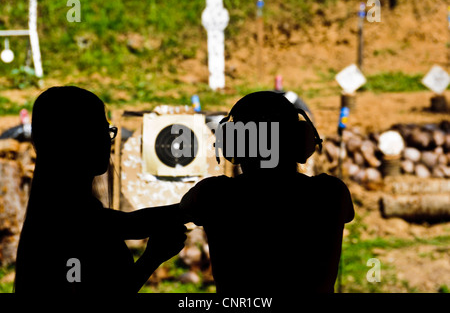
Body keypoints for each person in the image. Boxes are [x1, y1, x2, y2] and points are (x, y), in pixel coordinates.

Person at [15, 86, 186, 293]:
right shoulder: (67, 218)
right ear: (75, 138)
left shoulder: (59, 211)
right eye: (100, 130)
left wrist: (187, 209)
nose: (108, 139)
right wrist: (152, 257)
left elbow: (129, 224)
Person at [180, 91, 354, 293]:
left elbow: (174, 213)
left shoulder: (215, 195)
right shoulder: (330, 193)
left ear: (233, 145)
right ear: (302, 141)